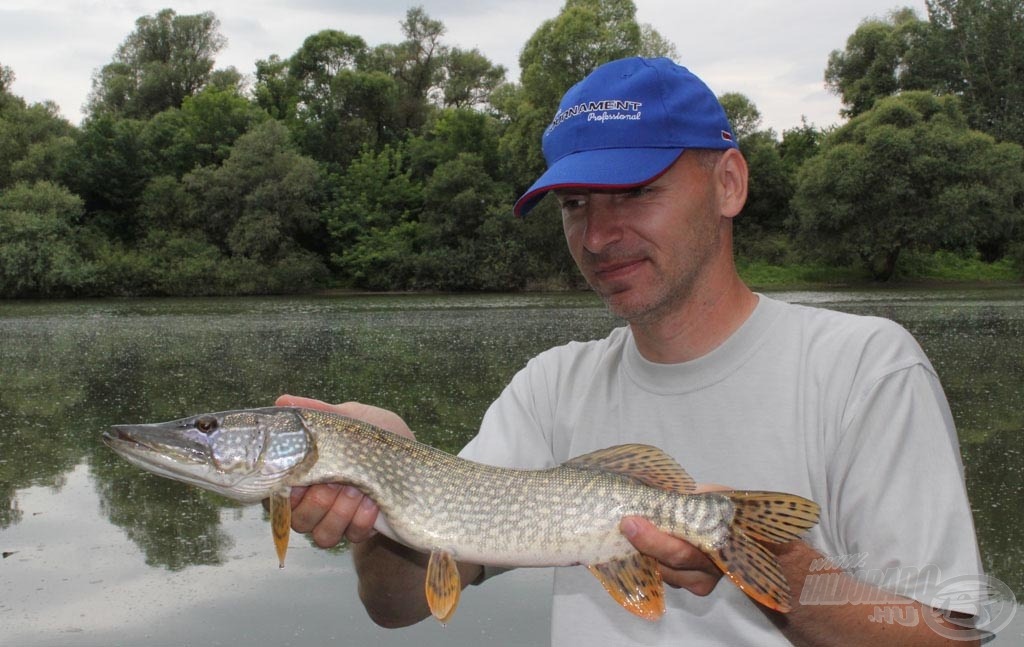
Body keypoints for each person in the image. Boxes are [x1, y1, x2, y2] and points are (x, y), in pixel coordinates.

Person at [277, 57, 985, 645]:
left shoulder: (866, 366)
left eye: (636, 191)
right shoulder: (552, 385)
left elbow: (942, 633)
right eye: (575, 204)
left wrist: (759, 564)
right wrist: (382, 491)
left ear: (728, 184)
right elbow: (398, 604)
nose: (596, 236)